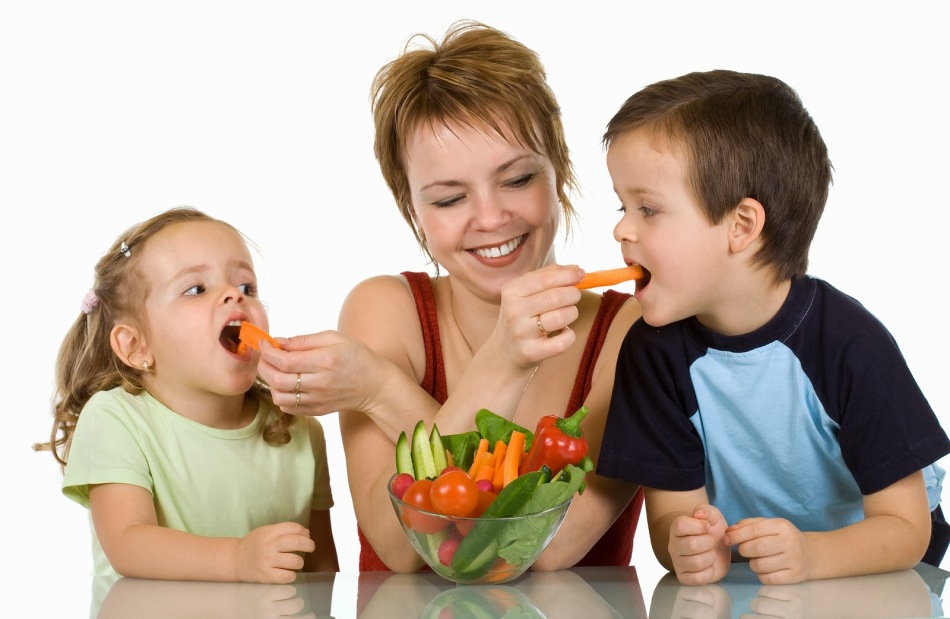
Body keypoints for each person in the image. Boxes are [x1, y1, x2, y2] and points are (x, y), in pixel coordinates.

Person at [256, 20, 644, 574]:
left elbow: (543, 548)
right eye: (449, 198)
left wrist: (383, 391)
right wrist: (497, 363)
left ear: (558, 170)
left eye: (516, 180)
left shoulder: (633, 333)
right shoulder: (384, 310)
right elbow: (401, 548)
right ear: (412, 208)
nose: (490, 218)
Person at [595, 69, 950, 586]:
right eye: (622, 206)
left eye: (648, 209)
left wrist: (811, 557)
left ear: (742, 226)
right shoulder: (652, 353)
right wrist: (688, 545)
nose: (621, 228)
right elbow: (670, 519)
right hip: (762, 579)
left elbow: (906, 529)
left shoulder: (850, 345)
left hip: (886, 571)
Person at [34, 206, 339, 583]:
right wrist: (236, 559)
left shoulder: (299, 427)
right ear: (135, 346)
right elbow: (128, 545)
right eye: (196, 289)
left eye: (247, 287)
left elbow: (321, 569)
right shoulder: (115, 418)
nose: (234, 296)